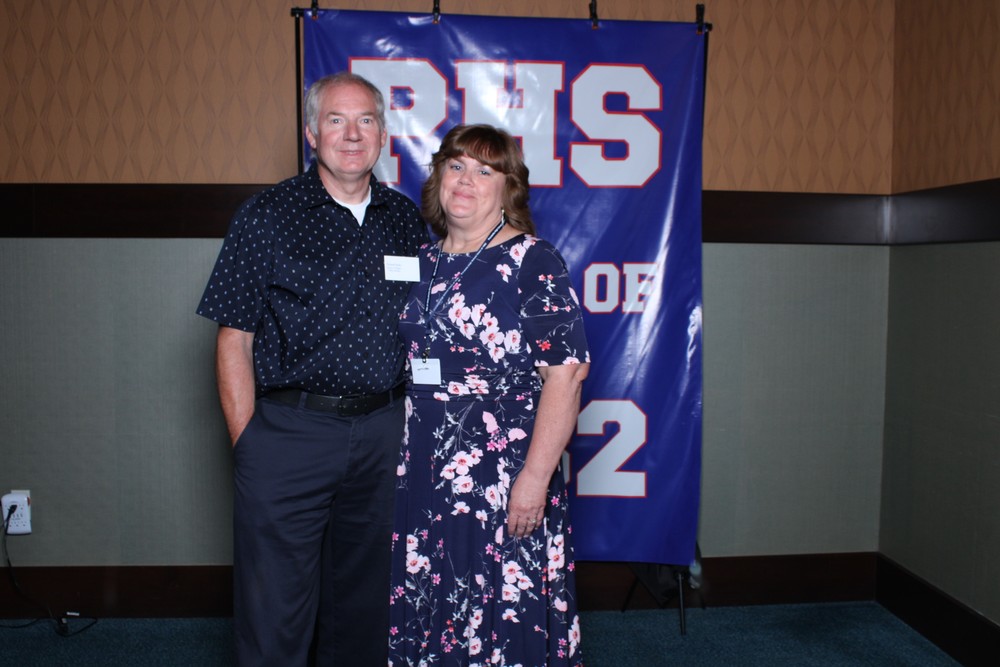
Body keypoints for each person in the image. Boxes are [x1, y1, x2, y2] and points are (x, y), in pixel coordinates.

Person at [196, 71, 428, 666]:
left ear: (383, 135)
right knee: (275, 608)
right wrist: (249, 443)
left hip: (383, 435)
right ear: (311, 133)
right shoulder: (266, 215)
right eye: (336, 120)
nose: (352, 134)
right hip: (290, 434)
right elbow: (233, 337)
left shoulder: (405, 219)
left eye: (366, 120)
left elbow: (427, 328)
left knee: (367, 605)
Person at [388, 124, 590, 666]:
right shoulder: (421, 261)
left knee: (498, 612)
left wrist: (534, 479)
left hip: (502, 475)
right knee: (435, 602)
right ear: (437, 176)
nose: (466, 180)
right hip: (424, 469)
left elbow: (567, 376)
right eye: (455, 166)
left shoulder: (532, 260)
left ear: (508, 188)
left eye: (484, 171)